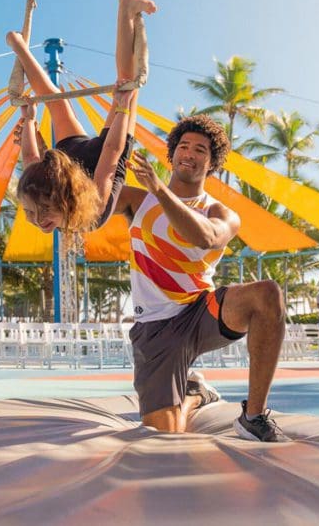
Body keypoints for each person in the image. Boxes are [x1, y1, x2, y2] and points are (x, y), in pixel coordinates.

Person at [118, 114, 289, 442]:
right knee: (164, 436)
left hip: (201, 313)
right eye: (183, 146)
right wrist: (38, 152)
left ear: (211, 163)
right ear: (172, 154)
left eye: (200, 150)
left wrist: (158, 188)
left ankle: (253, 417)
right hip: (155, 330)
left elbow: (206, 239)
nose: (190, 153)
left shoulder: (220, 212)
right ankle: (195, 394)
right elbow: (86, 200)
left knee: (267, 293)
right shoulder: (136, 200)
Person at [8, 0, 157, 236]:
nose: (38, 220)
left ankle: (18, 47)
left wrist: (30, 118)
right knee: (125, 82)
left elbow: (30, 155)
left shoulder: (41, 184)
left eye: (38, 211)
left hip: (70, 160)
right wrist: (122, 106)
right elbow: (111, 152)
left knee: (54, 98)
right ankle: (125, 10)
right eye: (33, 212)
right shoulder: (94, 208)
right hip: (100, 160)